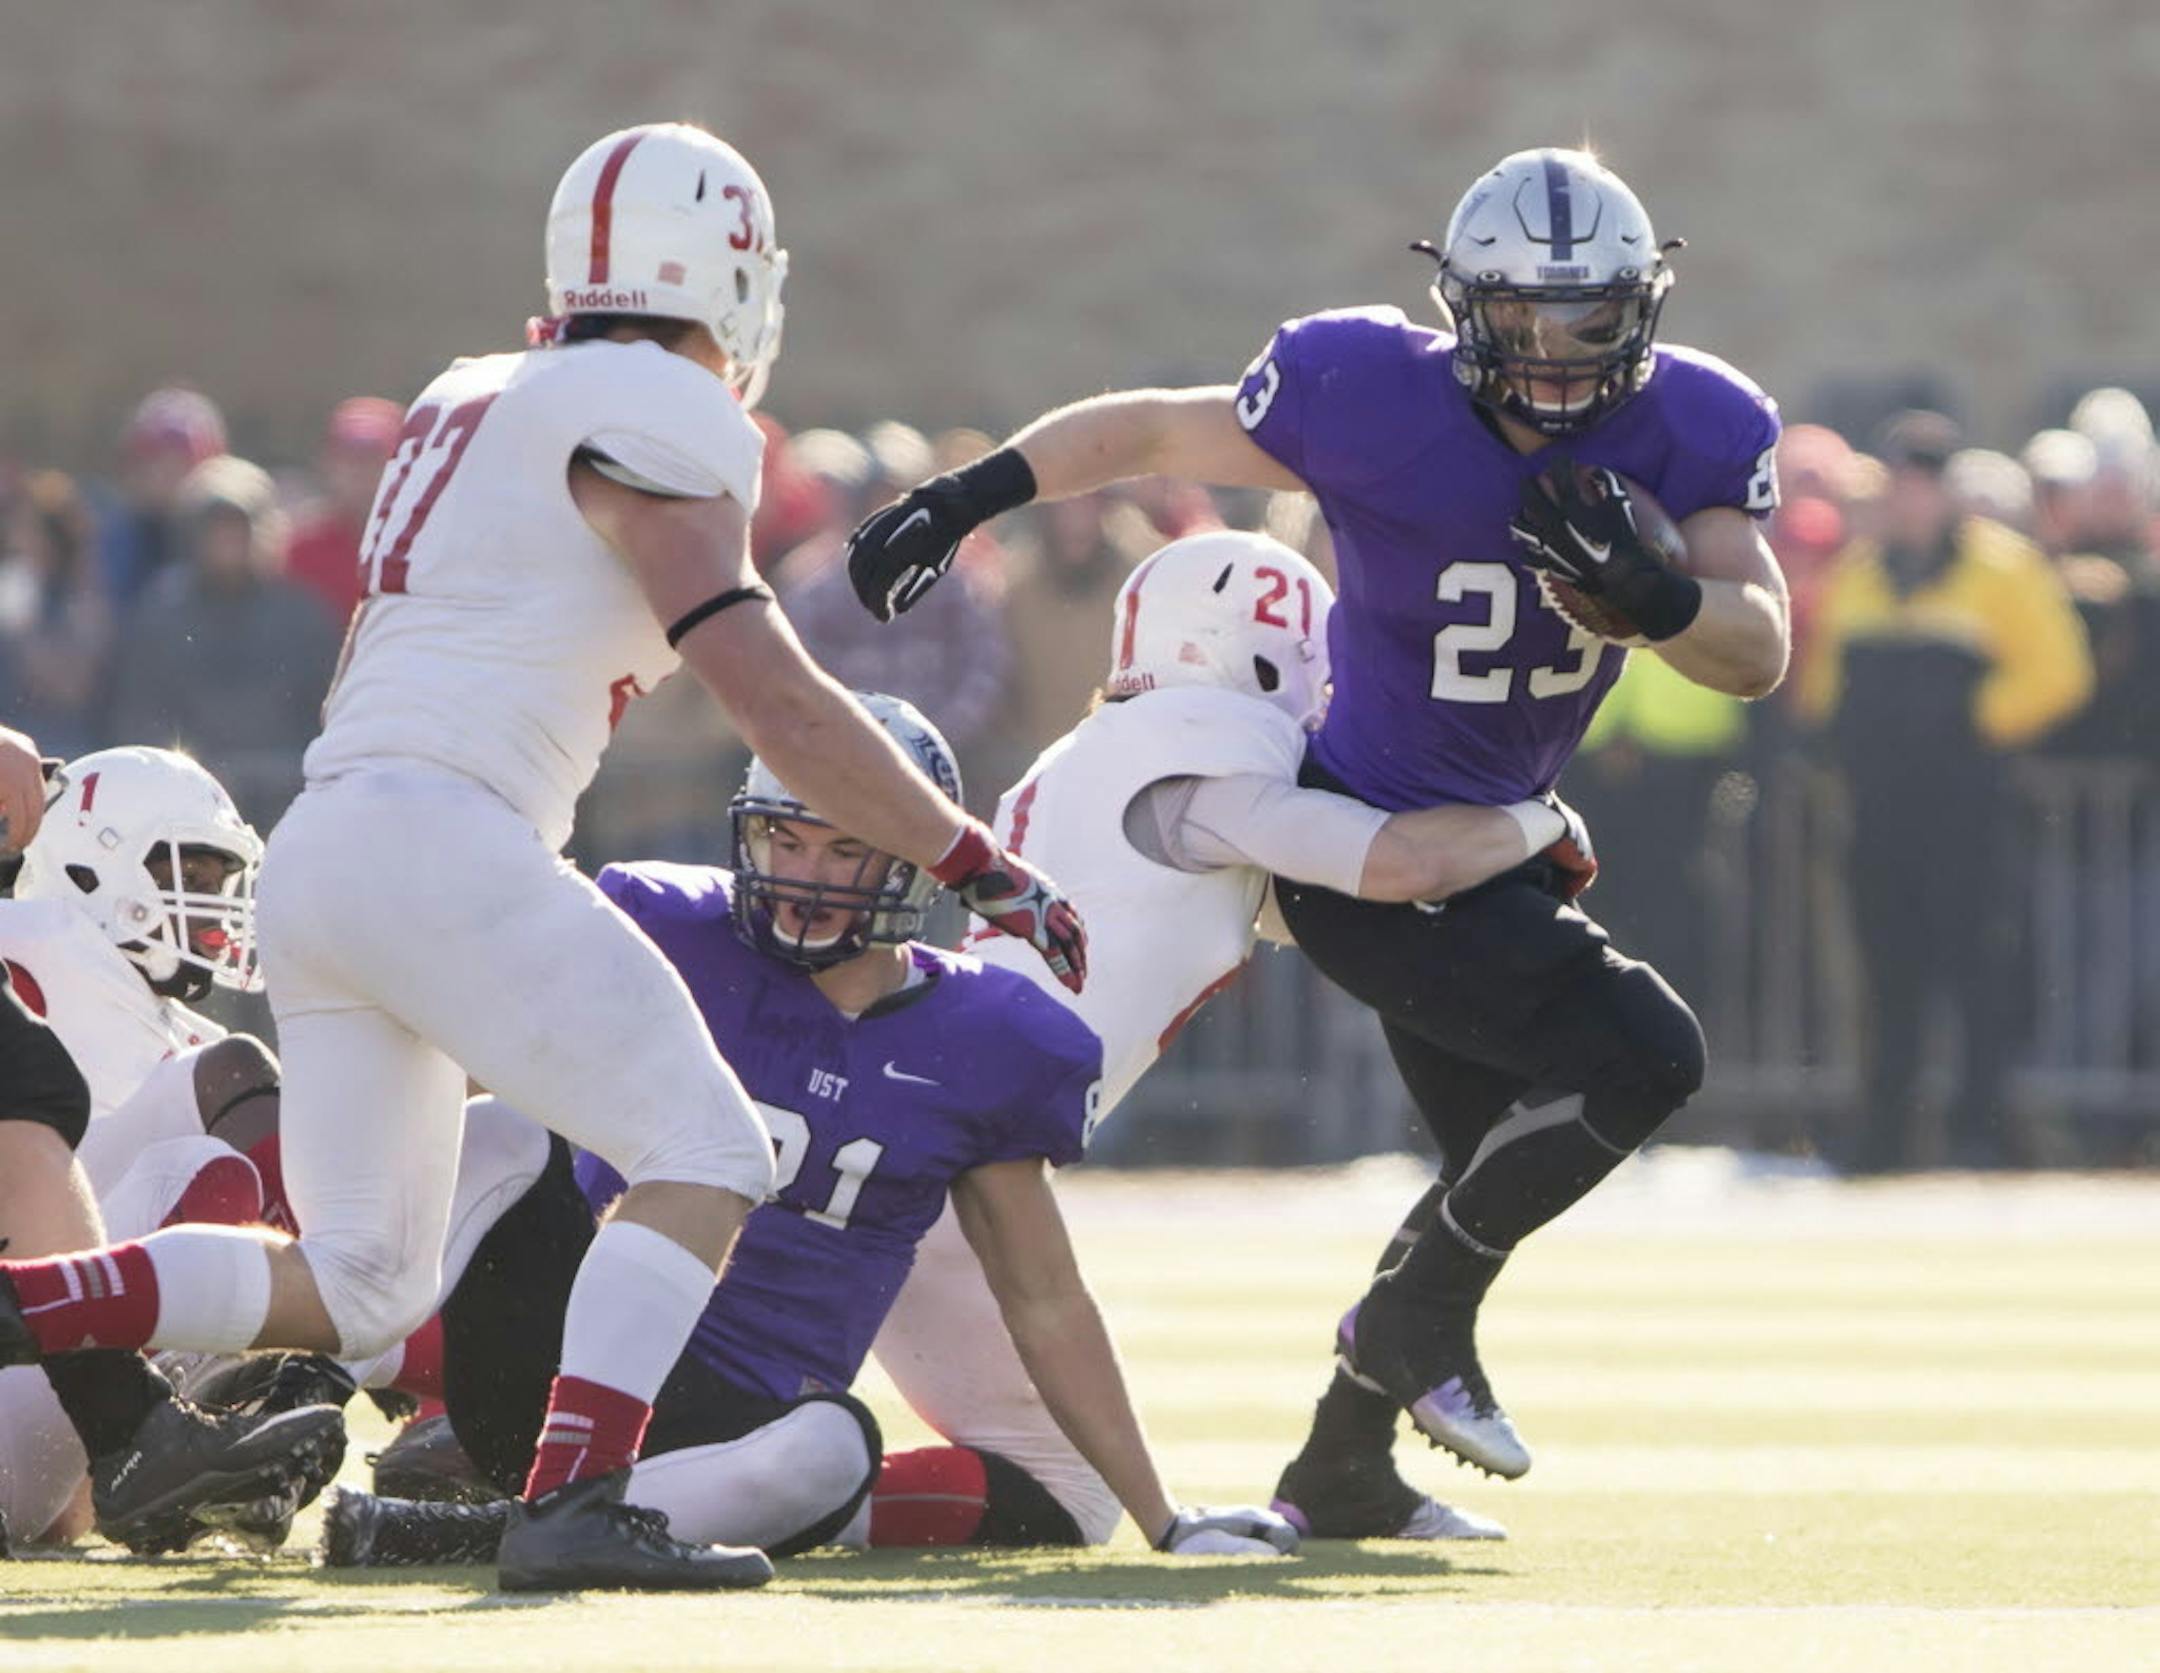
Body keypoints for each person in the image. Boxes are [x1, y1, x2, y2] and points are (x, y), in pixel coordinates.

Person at [0, 120, 1085, 1594]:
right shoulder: (662, 405)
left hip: (336, 831)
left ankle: (26, 1305)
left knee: (365, 1281)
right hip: (449, 831)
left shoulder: (466, 395)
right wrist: (969, 855)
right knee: (708, 1148)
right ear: (728, 281)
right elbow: (763, 678)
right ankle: (578, 1504)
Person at [843, 148, 1789, 1508]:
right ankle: (1402, 1339)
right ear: (1465, 310)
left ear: (1644, 309)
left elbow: (1756, 648)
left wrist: (1662, 597)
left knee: (1496, 1155)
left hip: (1469, 850)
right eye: (1524, 320)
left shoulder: (1698, 423)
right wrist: (967, 492)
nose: (1561, 355)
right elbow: (1162, 432)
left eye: (1592, 319)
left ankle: (1343, 1460)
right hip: (1373, 841)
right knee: (1642, 1055)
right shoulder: (1371, 391)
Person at [316, 697, 1293, 1566]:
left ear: (912, 859)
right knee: (496, 1130)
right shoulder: (668, 924)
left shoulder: (987, 1035)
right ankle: (295, 1375)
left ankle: (471, 1532)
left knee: (833, 1447)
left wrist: (1163, 1516)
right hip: (564, 1346)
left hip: (726, 1415)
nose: (802, 875)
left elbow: (1044, 1298)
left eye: (840, 846)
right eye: (785, 840)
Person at [872, 528, 1591, 1544]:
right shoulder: (1203, 762)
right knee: (1066, 1492)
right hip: (952, 1164)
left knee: (1046, 1477)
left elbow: (1332, 906)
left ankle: (787, 1470)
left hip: (935, 1127)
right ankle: (805, 1486)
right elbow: (1393, 866)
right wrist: (1536, 819)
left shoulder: (1115, 759)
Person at [0, 743, 343, 1555]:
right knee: (215, 1152)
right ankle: (306, 1360)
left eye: (221, 878)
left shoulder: (174, 1031)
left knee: (225, 1110)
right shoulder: (40, 935)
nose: (214, 903)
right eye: (189, 869)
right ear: (92, 866)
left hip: (34, 1439)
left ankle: (202, 1426)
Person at [1798, 410, 2093, 1169]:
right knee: (1885, 972)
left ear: (1946, 489)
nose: (1910, 498)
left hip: (1966, 803)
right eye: (1900, 481)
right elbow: (1823, 686)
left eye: (1924, 482)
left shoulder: (2005, 568)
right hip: (1880, 807)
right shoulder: (1861, 575)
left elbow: (2060, 671)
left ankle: (1982, 1131)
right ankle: (1888, 1135)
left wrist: (1972, 718)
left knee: (1977, 969)